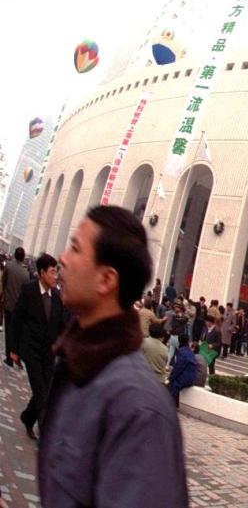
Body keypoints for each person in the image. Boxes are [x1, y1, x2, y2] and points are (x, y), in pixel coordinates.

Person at [38, 205, 188, 506]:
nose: (63, 258)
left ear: (106, 280)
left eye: (76, 248)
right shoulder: (77, 364)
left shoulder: (139, 409)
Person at [9, 252, 66, 439]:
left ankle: (28, 417)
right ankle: (46, 432)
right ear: (42, 273)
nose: (55, 276)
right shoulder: (29, 290)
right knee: (40, 391)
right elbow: (17, 320)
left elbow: (60, 325)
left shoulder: (56, 296)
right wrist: (13, 349)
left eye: (56, 272)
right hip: (30, 350)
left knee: (45, 389)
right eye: (52, 272)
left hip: (48, 352)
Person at [1, 247, 29, 366]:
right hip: (19, 307)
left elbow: (3, 281)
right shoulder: (26, 274)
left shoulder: (9, 266)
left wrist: (3, 295)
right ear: (23, 258)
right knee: (16, 332)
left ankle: (9, 358)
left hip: (8, 303)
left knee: (9, 331)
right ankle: (16, 356)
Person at [168, 334, 198, 405]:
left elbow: (178, 368)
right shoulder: (189, 351)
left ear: (179, 341)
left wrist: (170, 378)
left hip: (186, 378)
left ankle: (168, 404)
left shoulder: (182, 352)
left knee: (172, 385)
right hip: (192, 377)